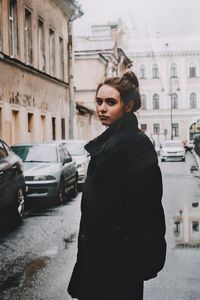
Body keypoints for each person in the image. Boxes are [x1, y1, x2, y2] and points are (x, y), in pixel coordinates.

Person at [68, 71, 166, 300]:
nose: (102, 108)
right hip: (105, 260)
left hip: (116, 263)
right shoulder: (113, 142)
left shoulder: (131, 146)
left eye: (111, 102)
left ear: (128, 106)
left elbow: (147, 210)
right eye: (99, 101)